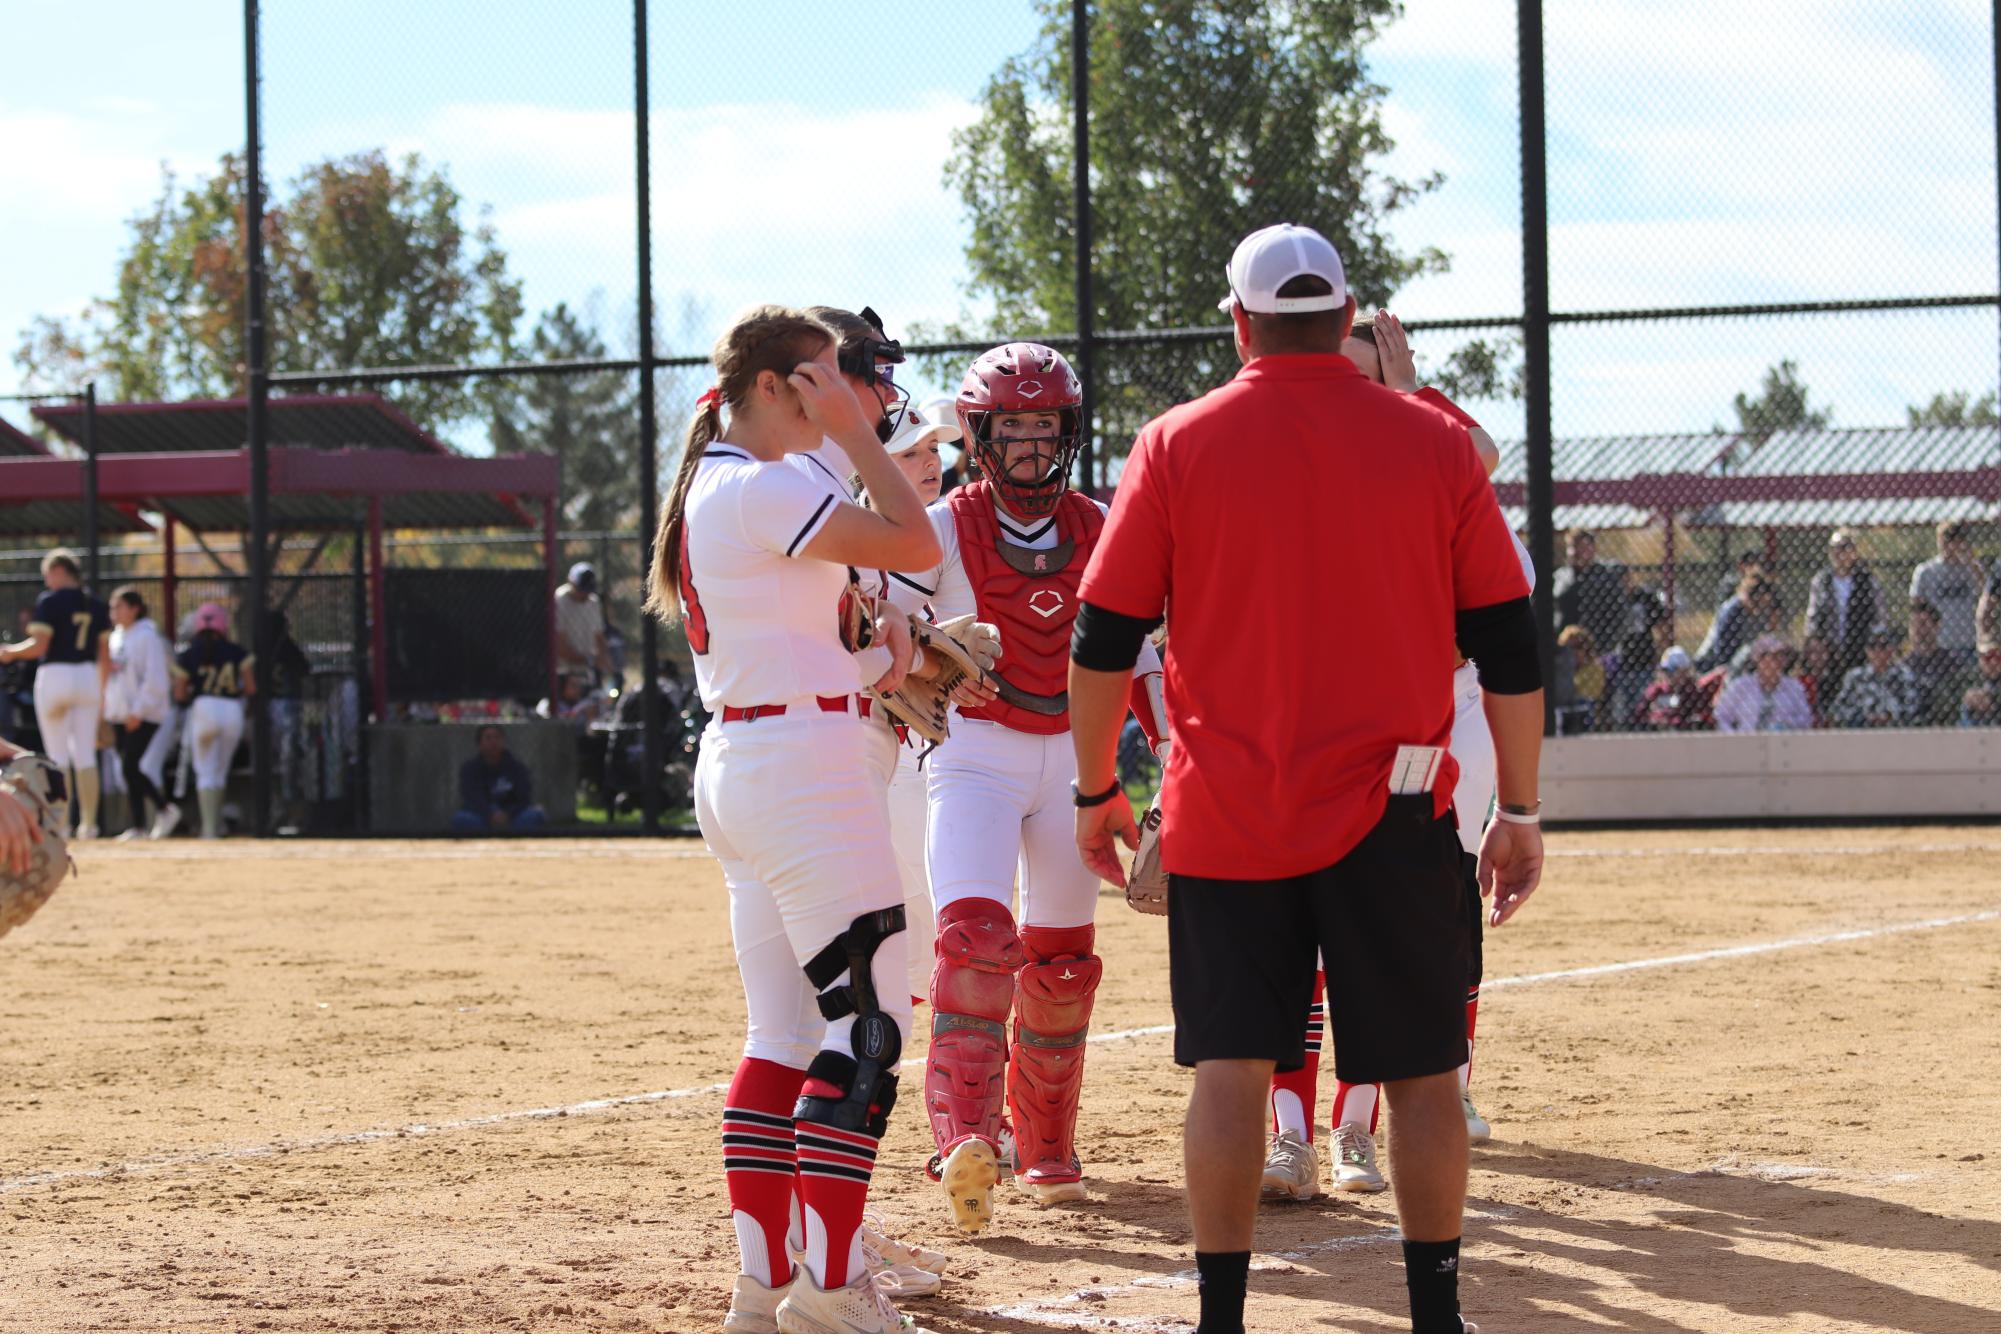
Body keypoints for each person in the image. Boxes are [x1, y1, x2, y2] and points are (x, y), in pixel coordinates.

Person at [1069, 223, 1543, 1334]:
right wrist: (1517, 806)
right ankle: (1435, 1315)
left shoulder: (1176, 443)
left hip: (1228, 811)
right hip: (1397, 803)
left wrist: (1098, 793)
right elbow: (1510, 644)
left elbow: (1100, 638)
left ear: (1239, 322)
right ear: (1345, 320)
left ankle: (1222, 1321)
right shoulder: (1432, 443)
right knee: (1423, 1074)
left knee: (1230, 1072)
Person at [644, 305, 940, 1334]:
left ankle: (765, 1283)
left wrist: (880, 656)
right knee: (865, 1026)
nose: (838, 392)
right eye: (818, 375)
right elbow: (917, 536)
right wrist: (863, 438)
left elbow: (800, 643)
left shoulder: (735, 484)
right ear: (771, 383)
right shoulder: (765, 481)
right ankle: (829, 1286)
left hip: (757, 753)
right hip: (801, 771)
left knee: (782, 1035)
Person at [1258, 315, 1537, 1204]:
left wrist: (1410, 385)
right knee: (1296, 938)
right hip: (1316, 720)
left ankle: (1385, 1109)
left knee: (1425, 905)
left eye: (1363, 371)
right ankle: (1294, 1135)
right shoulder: (1287, 467)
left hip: (1433, 713)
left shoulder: (1437, 468)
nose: (1345, 389)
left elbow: (1480, 458)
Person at [899, 337, 1166, 1237]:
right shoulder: (938, 527)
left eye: (1043, 426)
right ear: (977, 434)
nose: (1028, 444)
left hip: (1073, 765)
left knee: (1059, 970)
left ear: (1069, 432)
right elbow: (883, 626)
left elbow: (1141, 655)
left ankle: (1046, 1140)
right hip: (972, 752)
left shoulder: (1103, 524)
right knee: (974, 943)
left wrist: (1170, 764)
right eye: (1009, 425)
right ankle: (964, 1139)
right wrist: (922, 660)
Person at [0, 549, 110, 838]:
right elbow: (104, 656)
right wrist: (102, 695)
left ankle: (61, 826)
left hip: (56, 677)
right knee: (86, 754)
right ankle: (90, 825)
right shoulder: (96, 604)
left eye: (48, 573)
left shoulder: (50, 601)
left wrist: (9, 653)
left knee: (57, 755)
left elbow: (39, 646)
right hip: (88, 677)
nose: (46, 580)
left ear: (59, 570)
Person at [172, 603, 254, 840]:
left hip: (203, 708)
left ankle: (209, 830)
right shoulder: (237, 651)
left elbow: (179, 693)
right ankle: (218, 825)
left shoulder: (188, 654)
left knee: (205, 771)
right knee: (220, 770)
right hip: (232, 710)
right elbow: (250, 687)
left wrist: (192, 697)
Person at [105, 587, 178, 840]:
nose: (114, 612)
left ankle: (160, 811)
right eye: (112, 607)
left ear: (135, 608)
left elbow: (156, 679)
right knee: (127, 769)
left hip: (145, 713)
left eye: (119, 606)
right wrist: (110, 711)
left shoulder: (148, 636)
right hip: (120, 715)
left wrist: (138, 711)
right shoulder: (116, 637)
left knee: (129, 766)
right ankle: (144, 822)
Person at [1804, 529, 1881, 686]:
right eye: (1835, 547)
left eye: (1846, 547)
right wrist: (1814, 644)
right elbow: (1813, 616)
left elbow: (1879, 615)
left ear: (1854, 552)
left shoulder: (1866, 581)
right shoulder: (1822, 581)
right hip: (1829, 651)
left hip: (1859, 648)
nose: (1840, 552)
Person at [262, 610, 313, 830]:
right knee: (281, 763)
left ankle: (289, 814)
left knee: (286, 763)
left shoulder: (281, 648)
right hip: (282, 708)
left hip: (282, 708)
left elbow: (304, 669)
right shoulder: (271, 648)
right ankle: (280, 812)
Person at [1910, 520, 1986, 667]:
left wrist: (1971, 562)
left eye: (1954, 541)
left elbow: (1986, 593)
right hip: (1937, 645)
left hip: (1968, 641)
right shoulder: (1926, 571)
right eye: (1945, 541)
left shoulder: (1971, 569)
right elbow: (1916, 606)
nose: (1949, 547)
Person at [452, 724, 547, 832]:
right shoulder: (469, 768)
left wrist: (507, 814)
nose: (493, 742)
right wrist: (490, 814)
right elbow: (471, 798)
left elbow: (524, 797)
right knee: (462, 819)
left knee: (535, 815)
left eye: (497, 737)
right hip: (482, 816)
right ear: (479, 743)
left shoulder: (517, 767)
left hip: (512, 816)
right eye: (488, 738)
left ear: (503, 742)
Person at [1713, 635, 1812, 734]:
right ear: (1758, 660)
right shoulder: (1741, 686)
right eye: (1771, 656)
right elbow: (1721, 716)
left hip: (1784, 743)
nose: (1776, 662)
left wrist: (1787, 724)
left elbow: (1806, 719)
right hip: (1746, 742)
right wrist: (1734, 737)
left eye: (1780, 656)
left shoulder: (1794, 687)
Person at [1551, 529, 1627, 655]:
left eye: (1582, 547)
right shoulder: (1560, 577)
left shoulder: (1606, 577)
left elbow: (1620, 614)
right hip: (1563, 650)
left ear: (1593, 549)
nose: (1575, 552)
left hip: (1597, 651)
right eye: (1571, 547)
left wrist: (1603, 647)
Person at [1830, 626, 1916, 729]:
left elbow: (1912, 707)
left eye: (1883, 645)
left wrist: (1890, 716)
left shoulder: (1904, 675)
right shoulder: (1856, 677)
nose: (1878, 650)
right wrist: (1864, 717)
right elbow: (1838, 709)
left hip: (1895, 733)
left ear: (1892, 649)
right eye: (1872, 646)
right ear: (1866, 650)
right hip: (1861, 733)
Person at [1905, 597, 1972, 726]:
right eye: (1913, 624)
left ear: (1937, 626)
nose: (1918, 629)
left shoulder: (1953, 662)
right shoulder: (1903, 666)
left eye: (1923, 623)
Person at [1696, 574, 1777, 674]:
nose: (1761, 608)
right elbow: (1722, 652)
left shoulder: (1755, 613)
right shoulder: (1733, 611)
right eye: (1760, 603)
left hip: (1736, 663)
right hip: (1712, 664)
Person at [554, 562, 611, 683]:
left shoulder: (593, 602)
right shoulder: (560, 600)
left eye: (587, 590)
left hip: (587, 670)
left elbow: (599, 636)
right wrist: (588, 660)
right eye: (581, 589)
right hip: (563, 671)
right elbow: (558, 644)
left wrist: (604, 660)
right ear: (571, 582)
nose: (584, 594)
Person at [1641, 646, 1717, 730]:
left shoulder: (1692, 692)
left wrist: (1660, 717)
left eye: (1671, 670)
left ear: (1685, 670)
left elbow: (1689, 719)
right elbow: (1639, 713)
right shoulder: (1656, 690)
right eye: (1665, 670)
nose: (1667, 675)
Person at [1959, 641, 2001, 726]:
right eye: (1988, 657)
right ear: (1980, 659)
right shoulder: (1967, 677)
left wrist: (1991, 700)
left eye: (1997, 657)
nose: (1993, 662)